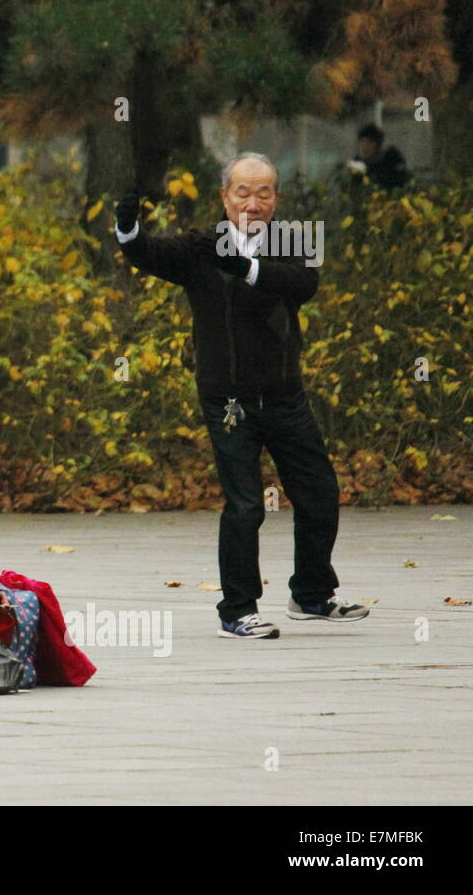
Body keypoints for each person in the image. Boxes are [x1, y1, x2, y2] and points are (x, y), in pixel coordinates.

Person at [114, 153, 369, 639]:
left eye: (264, 193)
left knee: (320, 493)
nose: (253, 203)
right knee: (246, 505)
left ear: (276, 198)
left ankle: (312, 594)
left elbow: (302, 283)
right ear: (225, 197)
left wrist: (248, 266)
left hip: (284, 395)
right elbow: (150, 255)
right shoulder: (200, 246)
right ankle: (237, 610)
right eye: (243, 193)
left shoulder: (293, 240)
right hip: (228, 401)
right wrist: (128, 230)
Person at [347, 123, 409, 190]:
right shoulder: (358, 163)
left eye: (369, 142)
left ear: (378, 145)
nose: (365, 147)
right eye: (362, 142)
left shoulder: (391, 159)